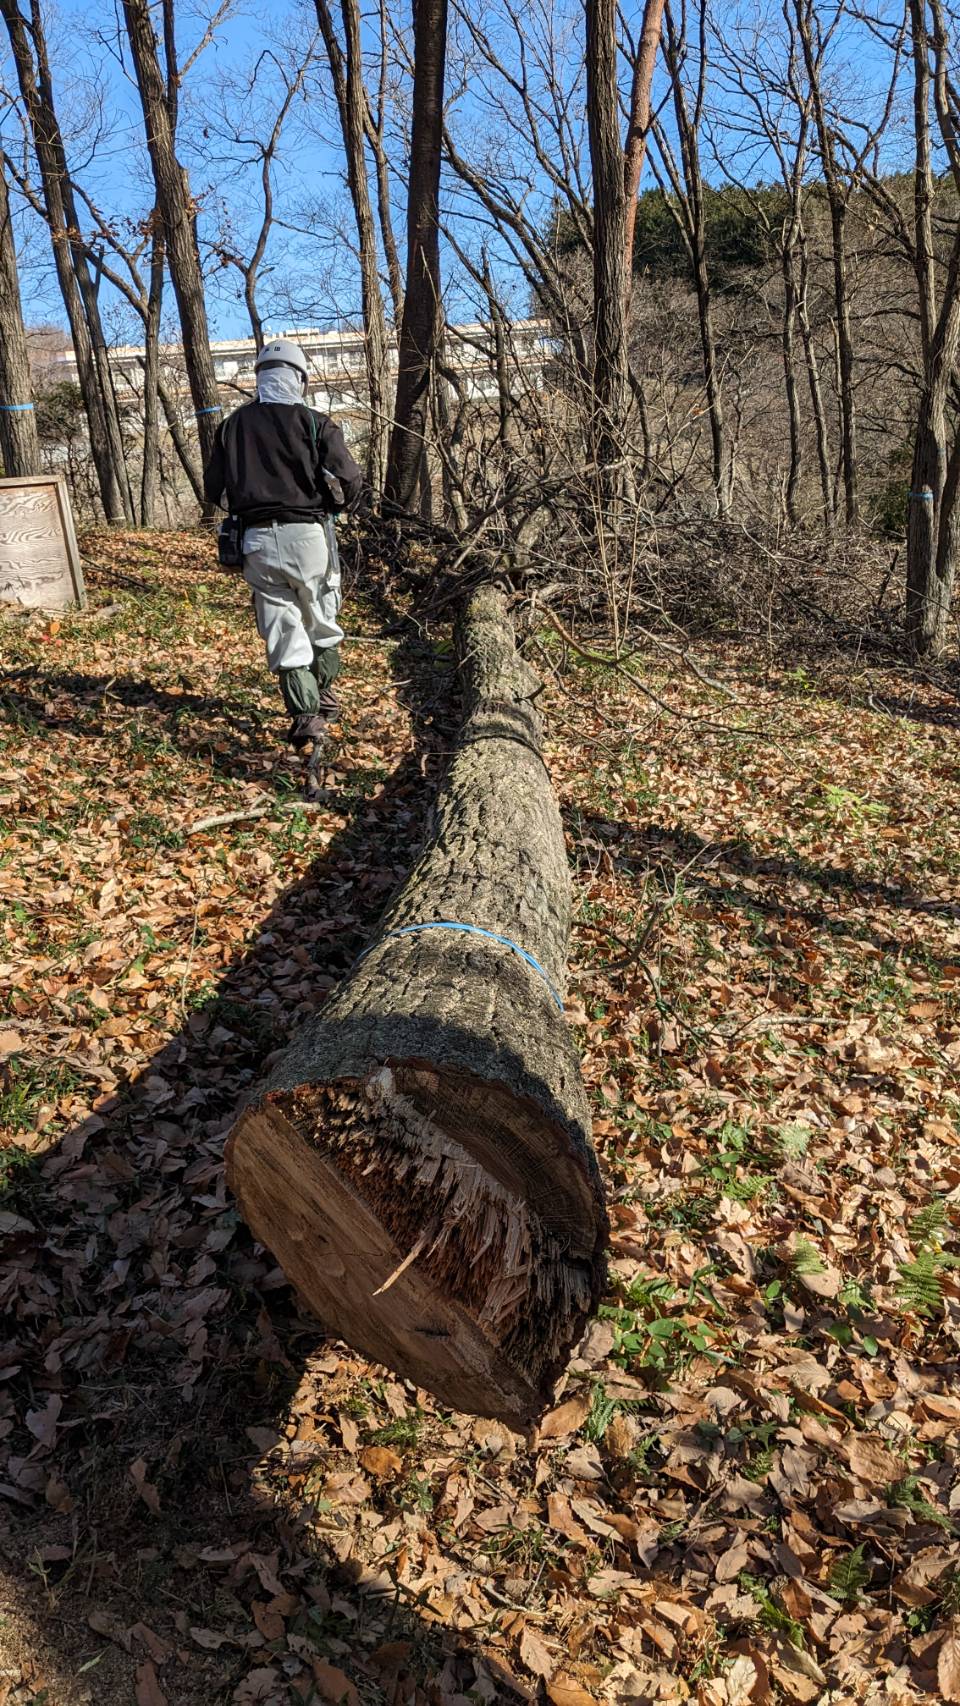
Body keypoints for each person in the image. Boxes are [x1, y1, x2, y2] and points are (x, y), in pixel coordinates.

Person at [202, 337, 364, 750]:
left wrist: (243, 501)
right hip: (309, 536)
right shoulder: (315, 422)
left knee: (281, 624)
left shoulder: (231, 426)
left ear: (260, 377)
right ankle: (324, 695)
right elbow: (350, 478)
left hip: (256, 540)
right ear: (300, 377)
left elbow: (213, 488)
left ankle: (305, 716)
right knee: (320, 615)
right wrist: (338, 506)